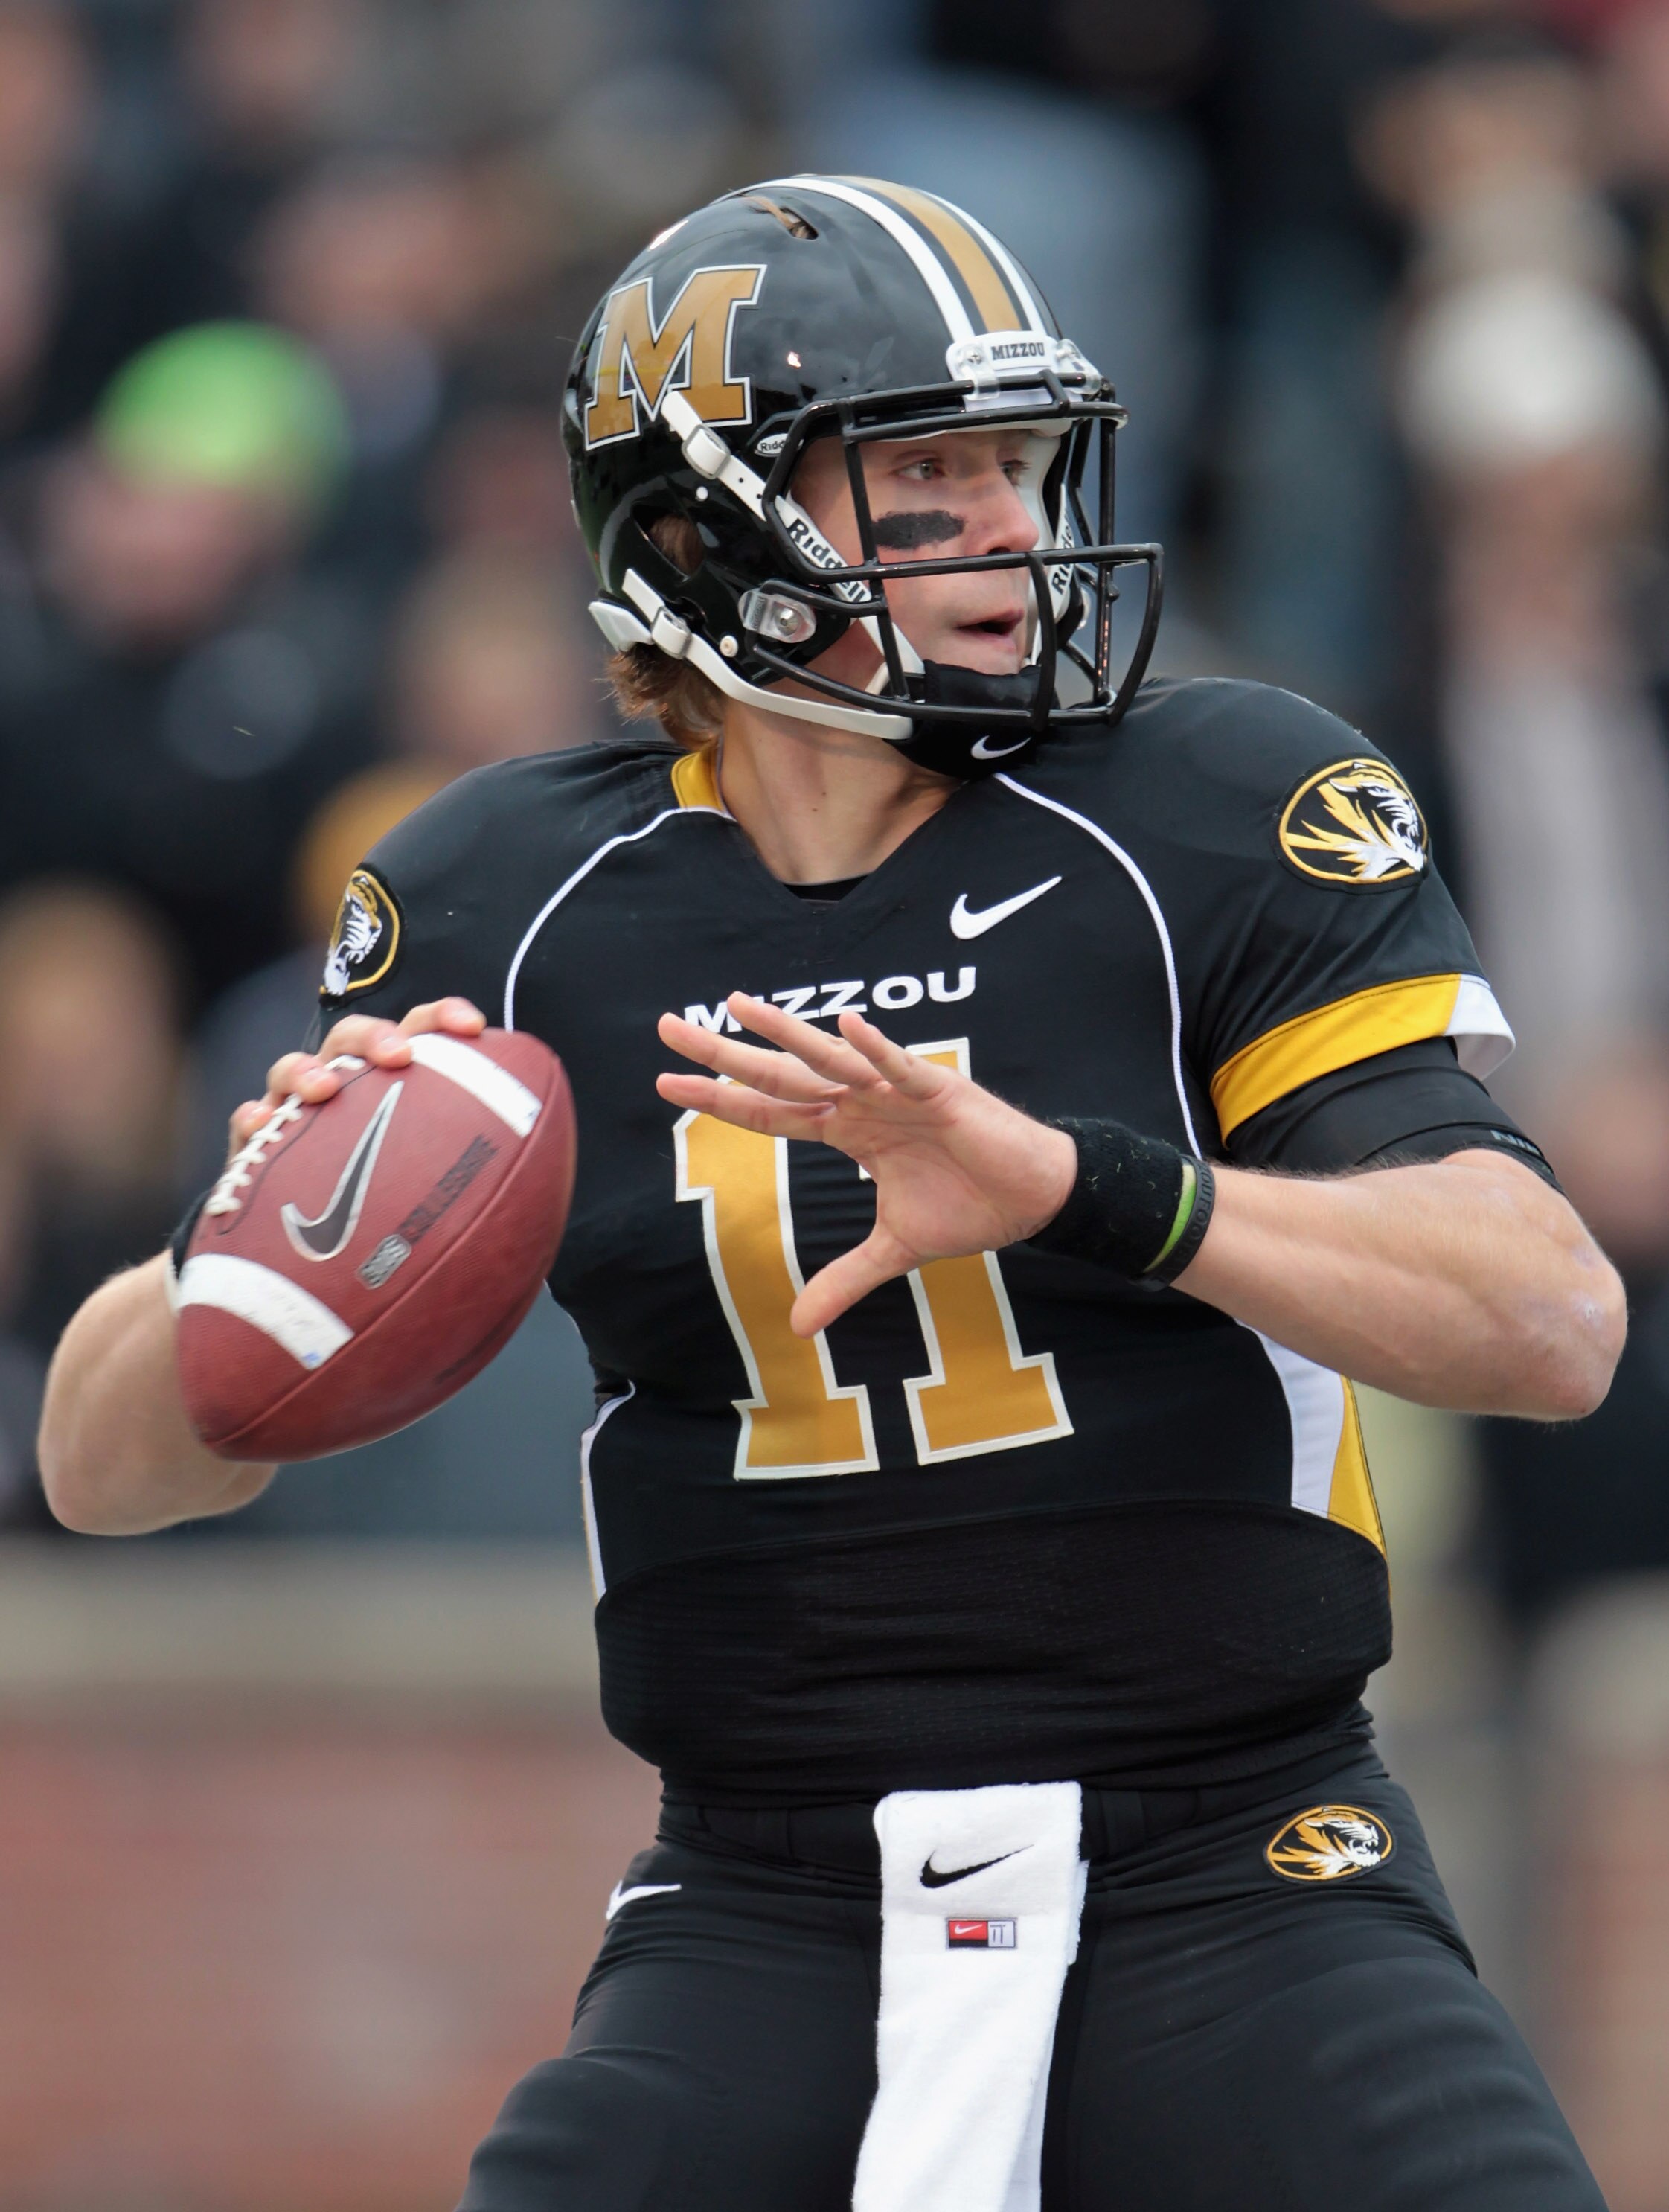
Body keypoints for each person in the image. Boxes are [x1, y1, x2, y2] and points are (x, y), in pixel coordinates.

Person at [38, 179, 1625, 2210]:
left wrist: (1079, 1184)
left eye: (1017, 467)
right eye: (925, 481)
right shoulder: (499, 896)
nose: (1012, 533)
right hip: (760, 1897)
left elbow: (1547, 1316)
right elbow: (106, 1469)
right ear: (703, 534)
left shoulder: (1213, 807)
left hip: (1238, 1868)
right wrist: (277, 1249)